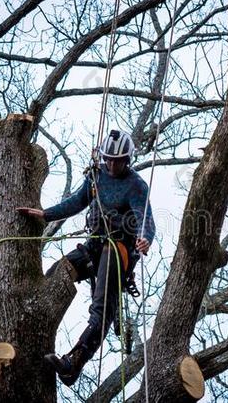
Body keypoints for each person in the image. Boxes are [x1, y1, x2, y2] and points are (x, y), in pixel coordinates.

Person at [18, 129, 155, 386]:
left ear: (129, 159)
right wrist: (46, 214)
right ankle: (36, 322)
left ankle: (74, 362)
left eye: (119, 160)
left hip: (116, 250)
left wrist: (145, 238)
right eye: (109, 159)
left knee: (102, 310)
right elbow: (78, 201)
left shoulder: (136, 185)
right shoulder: (97, 175)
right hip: (93, 245)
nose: (113, 165)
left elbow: (146, 218)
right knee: (57, 272)